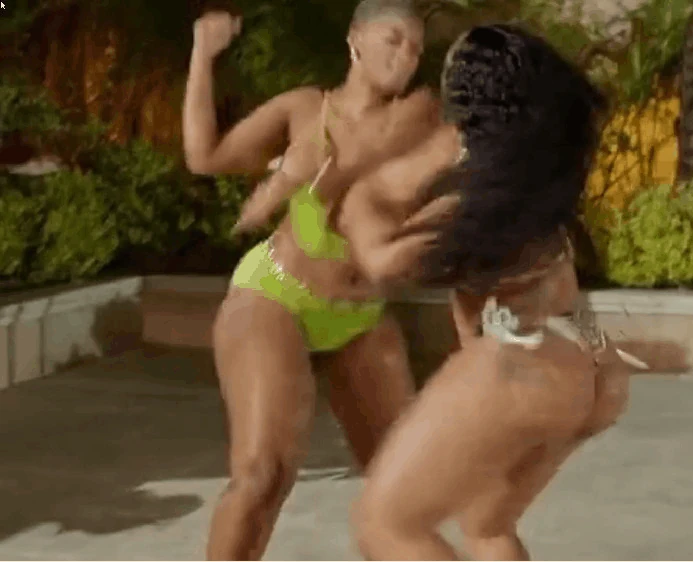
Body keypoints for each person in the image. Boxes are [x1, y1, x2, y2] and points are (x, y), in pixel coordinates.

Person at [324, 24, 648, 560]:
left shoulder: (476, 202)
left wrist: (360, 189)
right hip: (585, 371)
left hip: (516, 365)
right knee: (485, 525)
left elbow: (379, 261)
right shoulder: (536, 185)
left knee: (385, 525)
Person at [180, 1, 436, 559]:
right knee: (262, 476)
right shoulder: (304, 109)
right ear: (355, 39)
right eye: (394, 39)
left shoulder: (421, 121)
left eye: (416, 48)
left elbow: (369, 156)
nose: (406, 56)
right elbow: (205, 157)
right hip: (276, 294)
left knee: (401, 494)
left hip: (361, 315)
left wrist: (297, 176)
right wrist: (203, 54)